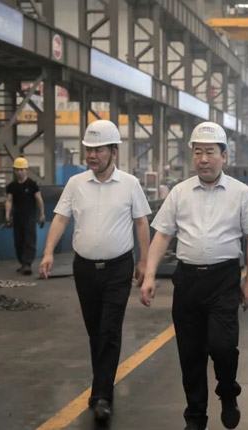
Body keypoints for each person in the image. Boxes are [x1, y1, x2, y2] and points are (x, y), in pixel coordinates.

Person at [139, 121, 248, 430]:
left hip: (224, 280)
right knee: (190, 354)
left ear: (224, 156)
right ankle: (195, 417)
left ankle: (228, 391)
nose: (203, 159)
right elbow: (162, 236)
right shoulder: (179, 193)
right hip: (188, 282)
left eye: (210, 152)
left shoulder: (241, 193)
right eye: (198, 152)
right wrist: (150, 275)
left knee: (223, 347)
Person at [39, 119, 151, 423]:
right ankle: (101, 386)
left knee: (110, 330)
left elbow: (142, 222)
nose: (91, 155)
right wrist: (48, 251)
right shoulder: (76, 184)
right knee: (95, 332)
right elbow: (60, 219)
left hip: (119, 267)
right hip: (85, 269)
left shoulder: (130, 184)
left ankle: (102, 395)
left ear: (114, 151)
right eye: (88, 149)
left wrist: (143, 262)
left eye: (98, 149)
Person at [5, 157, 45, 275]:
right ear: (14, 171)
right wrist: (7, 216)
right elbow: (9, 201)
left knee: (29, 240)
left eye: (21, 170)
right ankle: (23, 263)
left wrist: (42, 215)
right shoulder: (12, 186)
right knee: (18, 241)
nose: (19, 172)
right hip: (17, 218)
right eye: (17, 170)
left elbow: (39, 200)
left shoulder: (32, 184)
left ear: (26, 170)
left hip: (29, 217)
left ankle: (27, 264)